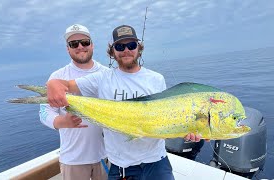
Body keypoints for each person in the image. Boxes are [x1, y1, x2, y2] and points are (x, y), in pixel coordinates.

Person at [46, 25, 201, 180]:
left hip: (156, 162)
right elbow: (65, 85)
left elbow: (167, 116)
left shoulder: (157, 79)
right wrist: (53, 83)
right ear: (113, 51)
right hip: (122, 166)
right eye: (120, 46)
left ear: (139, 48)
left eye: (131, 45)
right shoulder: (101, 78)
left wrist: (187, 130)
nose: (126, 50)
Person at [39, 24, 108, 180]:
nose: (80, 47)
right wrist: (61, 121)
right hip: (73, 160)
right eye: (73, 44)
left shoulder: (107, 74)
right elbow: (44, 112)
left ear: (92, 44)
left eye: (84, 42)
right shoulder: (57, 77)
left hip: (105, 155)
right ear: (67, 49)